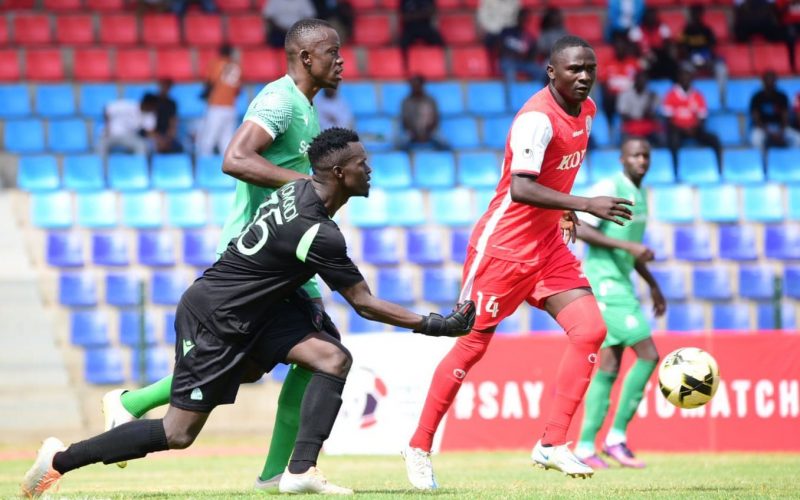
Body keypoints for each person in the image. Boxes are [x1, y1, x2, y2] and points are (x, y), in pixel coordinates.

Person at [20, 128, 477, 499]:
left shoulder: (297, 189)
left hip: (256, 311)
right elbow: (364, 302)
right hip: (216, 318)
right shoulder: (318, 231)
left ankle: (300, 470)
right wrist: (434, 325)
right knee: (178, 433)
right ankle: (59, 461)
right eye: (362, 164)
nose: (370, 169)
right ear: (339, 173)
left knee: (332, 358)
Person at [98, 18, 350, 492]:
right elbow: (234, 158)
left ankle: (131, 404)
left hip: (284, 258)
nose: (341, 61)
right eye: (332, 52)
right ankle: (285, 471)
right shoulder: (278, 102)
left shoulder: (308, 109)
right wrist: (306, 186)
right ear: (305, 58)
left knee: (254, 364)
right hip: (255, 259)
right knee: (325, 353)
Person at [402, 35, 635, 490]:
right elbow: (521, 188)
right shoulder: (535, 119)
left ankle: (552, 443)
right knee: (470, 347)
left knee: (591, 329)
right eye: (574, 69)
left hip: (546, 246)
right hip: (502, 249)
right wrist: (584, 203)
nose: (585, 76)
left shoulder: (586, 111)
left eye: (590, 68)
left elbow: (556, 172)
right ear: (552, 72)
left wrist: (563, 208)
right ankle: (419, 446)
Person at [572, 137, 665, 470]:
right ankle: (616, 438)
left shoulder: (641, 196)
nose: (642, 160)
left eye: (646, 155)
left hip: (621, 282)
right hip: (604, 282)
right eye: (635, 155)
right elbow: (577, 225)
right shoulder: (609, 186)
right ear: (622, 159)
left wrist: (653, 285)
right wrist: (629, 251)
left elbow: (631, 246)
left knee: (609, 365)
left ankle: (585, 445)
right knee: (649, 353)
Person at [662, 65, 723, 174]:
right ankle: (676, 172)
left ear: (691, 79)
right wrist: (682, 128)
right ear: (679, 78)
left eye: (688, 76)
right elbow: (667, 118)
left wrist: (694, 128)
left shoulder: (698, 95)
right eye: (683, 76)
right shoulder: (670, 95)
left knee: (715, 139)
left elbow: (703, 117)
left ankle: (720, 171)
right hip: (678, 130)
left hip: (695, 129)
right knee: (673, 141)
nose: (685, 79)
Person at [196, 44, 242, 156]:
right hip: (230, 107)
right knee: (226, 141)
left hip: (216, 106)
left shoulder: (215, 63)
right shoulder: (237, 66)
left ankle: (204, 168)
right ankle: (226, 170)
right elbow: (238, 91)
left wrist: (205, 95)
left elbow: (209, 83)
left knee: (208, 140)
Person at [749, 70, 800, 151]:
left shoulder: (782, 96)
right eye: (768, 79)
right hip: (762, 128)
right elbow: (756, 119)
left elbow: (785, 118)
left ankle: (792, 161)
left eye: (772, 79)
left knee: (798, 139)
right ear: (763, 81)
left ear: (776, 81)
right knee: (755, 139)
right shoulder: (757, 97)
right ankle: (763, 162)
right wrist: (769, 133)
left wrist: (780, 131)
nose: (770, 82)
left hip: (779, 128)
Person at [496, 8, 546, 86]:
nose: (523, 20)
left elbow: (532, 56)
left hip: (523, 62)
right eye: (521, 17)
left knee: (540, 72)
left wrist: (528, 56)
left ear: (528, 20)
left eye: (525, 18)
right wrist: (510, 54)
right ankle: (512, 97)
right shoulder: (506, 31)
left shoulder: (530, 37)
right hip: (508, 60)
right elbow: (499, 47)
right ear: (517, 18)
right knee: (510, 71)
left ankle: (532, 94)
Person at [398, 75, 449, 151]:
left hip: (430, 131)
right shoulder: (406, 102)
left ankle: (442, 159)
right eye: (413, 85)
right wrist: (415, 134)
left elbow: (435, 119)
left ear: (422, 85)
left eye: (417, 84)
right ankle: (402, 160)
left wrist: (427, 133)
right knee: (399, 144)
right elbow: (405, 121)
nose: (415, 87)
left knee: (445, 144)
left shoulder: (430, 101)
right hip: (412, 132)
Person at [628, 7, 679, 81]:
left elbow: (668, 45)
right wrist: (644, 55)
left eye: (653, 15)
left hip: (659, 57)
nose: (651, 18)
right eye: (649, 15)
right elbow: (631, 49)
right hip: (642, 58)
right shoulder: (637, 30)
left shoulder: (662, 28)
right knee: (641, 65)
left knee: (672, 64)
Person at [617, 71, 663, 146]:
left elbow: (651, 114)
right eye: (640, 79)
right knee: (624, 133)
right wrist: (638, 118)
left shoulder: (652, 95)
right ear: (635, 80)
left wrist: (650, 101)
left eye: (644, 80)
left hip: (647, 125)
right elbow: (623, 115)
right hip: (631, 125)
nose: (642, 82)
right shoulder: (625, 95)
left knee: (660, 133)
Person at [142, 78, 182, 153]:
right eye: (163, 85)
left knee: (179, 148)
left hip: (165, 137)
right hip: (152, 136)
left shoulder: (172, 103)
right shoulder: (151, 101)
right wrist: (158, 138)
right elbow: (146, 127)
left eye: (168, 86)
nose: (165, 88)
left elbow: (173, 123)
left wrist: (169, 138)